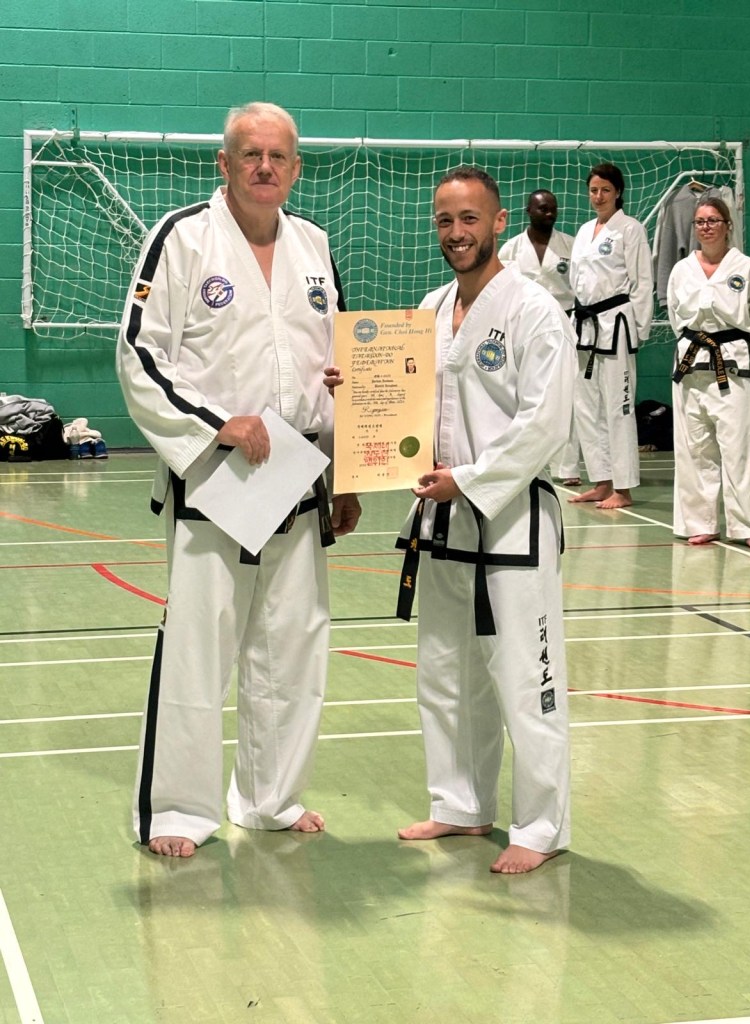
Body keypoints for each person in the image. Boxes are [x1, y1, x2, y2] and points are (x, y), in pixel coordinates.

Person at [116, 101, 361, 858]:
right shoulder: (183, 237)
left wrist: (347, 469)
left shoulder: (314, 244)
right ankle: (177, 811)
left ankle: (270, 799)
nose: (264, 167)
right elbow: (138, 352)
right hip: (216, 476)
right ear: (223, 163)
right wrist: (217, 422)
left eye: (278, 155)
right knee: (199, 645)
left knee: (292, 646)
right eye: (250, 154)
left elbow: (342, 366)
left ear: (296, 167)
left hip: (298, 474)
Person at [329, 167, 575, 873]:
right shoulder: (429, 310)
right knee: (445, 672)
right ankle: (461, 805)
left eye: (469, 219)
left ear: (497, 223)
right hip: (439, 518)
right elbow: (406, 407)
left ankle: (541, 826)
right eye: (444, 220)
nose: (456, 233)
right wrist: (356, 388)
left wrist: (467, 479)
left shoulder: (534, 310)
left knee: (525, 679)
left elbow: (545, 423)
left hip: (509, 517)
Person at [667, 197, 750, 551]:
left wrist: (739, 355)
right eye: (700, 221)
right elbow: (677, 320)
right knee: (694, 449)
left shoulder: (748, 269)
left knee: (738, 450)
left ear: (728, 225)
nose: (706, 227)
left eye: (713, 220)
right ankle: (700, 523)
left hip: (733, 367)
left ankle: (746, 527)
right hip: (690, 367)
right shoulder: (681, 270)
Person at [568, 162, 653, 509]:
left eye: (605, 190)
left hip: (616, 326)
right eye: (593, 190)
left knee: (619, 407)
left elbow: (642, 282)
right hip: (585, 326)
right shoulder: (584, 230)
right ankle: (602, 481)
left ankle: (624, 487)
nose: (598, 196)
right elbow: (575, 281)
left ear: (618, 192)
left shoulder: (630, 229)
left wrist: (639, 330)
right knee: (586, 406)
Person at [499, 188, 581, 485]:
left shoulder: (570, 245)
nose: (549, 213)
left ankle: (567, 467)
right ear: (529, 211)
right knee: (523, 394)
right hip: (523, 326)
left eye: (553, 208)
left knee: (565, 393)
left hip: (565, 322)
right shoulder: (511, 249)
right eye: (543, 208)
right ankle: (524, 462)